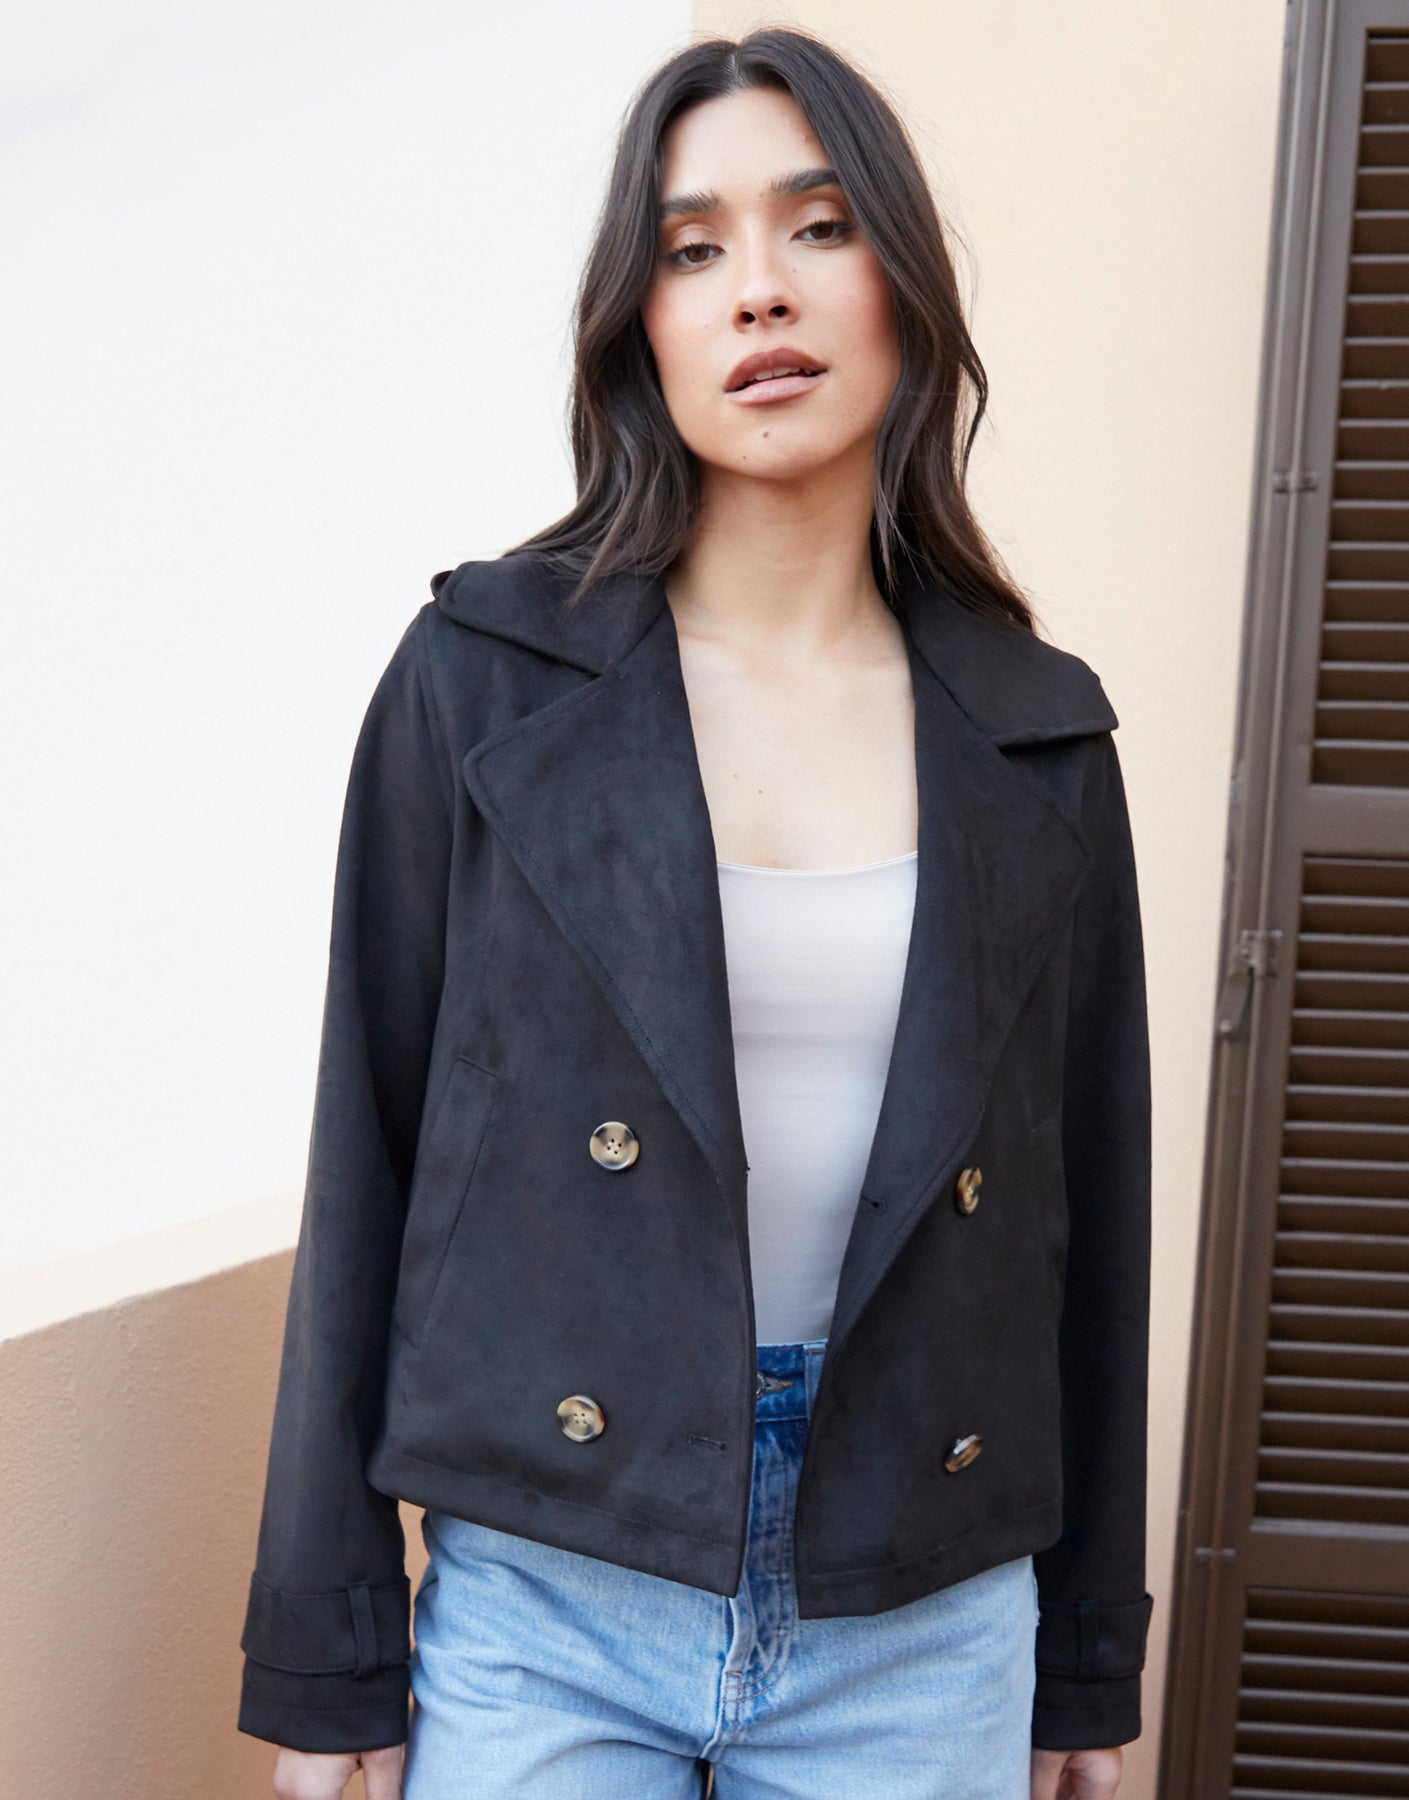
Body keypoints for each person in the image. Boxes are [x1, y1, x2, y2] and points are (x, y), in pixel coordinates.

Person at [239, 27, 1153, 1800]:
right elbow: (370, 1158)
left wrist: (1083, 1662)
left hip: (925, 1605)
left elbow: (1088, 1224)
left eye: (817, 226)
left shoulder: (1037, 736)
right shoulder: (481, 685)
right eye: (691, 246)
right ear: (639, 327)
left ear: (902, 288)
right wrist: (327, 1661)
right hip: (551, 1590)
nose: (758, 291)